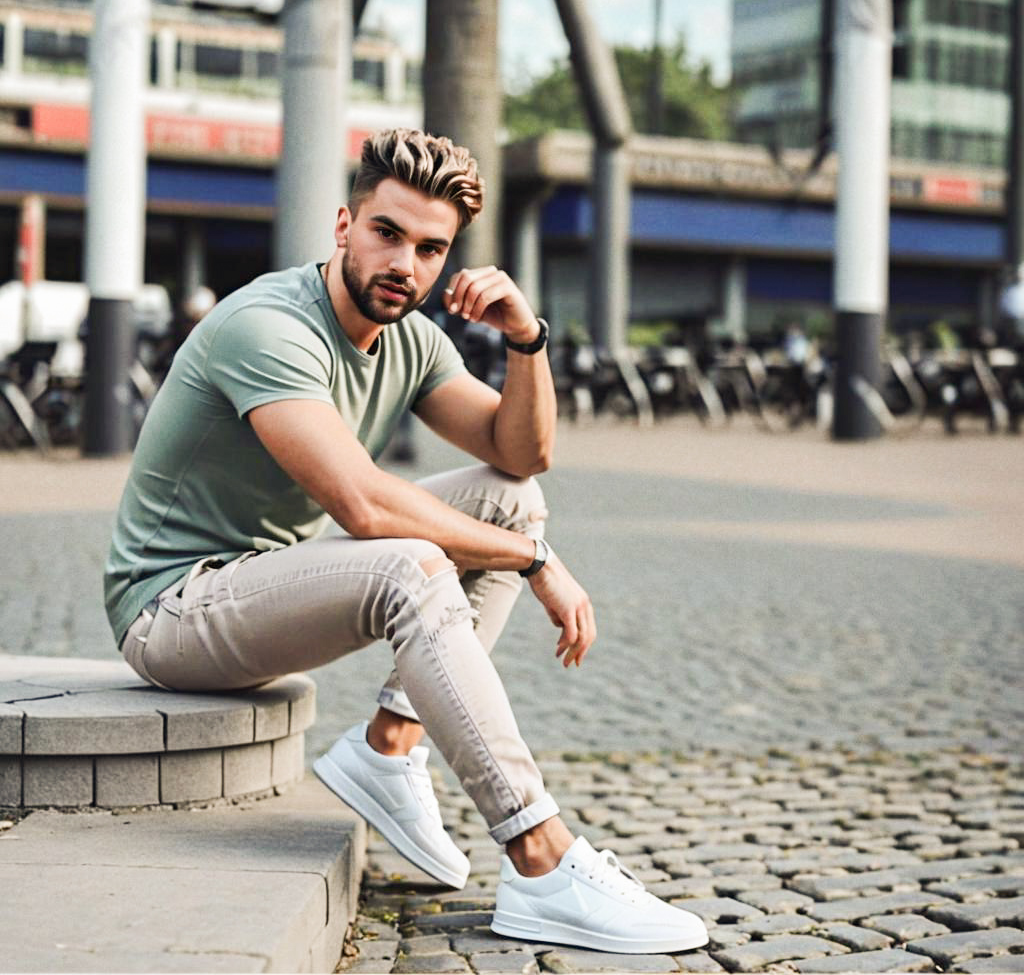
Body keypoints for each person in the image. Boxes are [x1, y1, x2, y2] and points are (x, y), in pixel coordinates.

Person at [105, 128, 708, 955]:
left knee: (512, 503)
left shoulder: (413, 341)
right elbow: (361, 504)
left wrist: (525, 339)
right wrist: (536, 566)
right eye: (388, 233)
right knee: (413, 561)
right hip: (171, 612)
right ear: (344, 225)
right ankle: (542, 861)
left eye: (431, 248)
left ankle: (389, 747)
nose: (406, 265)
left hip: (262, 585)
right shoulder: (268, 325)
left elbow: (523, 455)